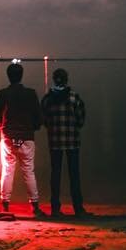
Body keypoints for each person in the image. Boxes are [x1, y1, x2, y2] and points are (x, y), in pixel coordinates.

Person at [0, 60, 44, 217]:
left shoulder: (2, 93)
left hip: (8, 136)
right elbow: (38, 117)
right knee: (28, 170)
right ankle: (34, 205)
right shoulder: (31, 93)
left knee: (7, 170)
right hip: (27, 136)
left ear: (8, 76)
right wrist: (32, 127)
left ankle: (5, 204)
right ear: (21, 76)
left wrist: (2, 128)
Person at [40, 66, 88, 218]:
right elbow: (81, 120)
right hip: (72, 141)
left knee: (55, 174)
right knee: (74, 175)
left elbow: (44, 120)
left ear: (54, 80)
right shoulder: (74, 97)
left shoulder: (47, 99)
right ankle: (78, 208)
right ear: (66, 80)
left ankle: (55, 208)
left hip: (55, 141)